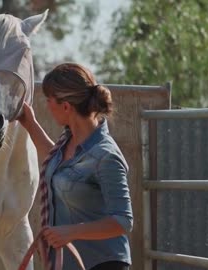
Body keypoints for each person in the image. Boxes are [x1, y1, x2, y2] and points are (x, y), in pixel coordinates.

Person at [17, 63, 133, 270]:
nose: (47, 105)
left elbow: (123, 221)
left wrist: (71, 232)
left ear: (66, 106)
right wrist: (30, 124)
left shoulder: (106, 156)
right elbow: (60, 169)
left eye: (49, 99)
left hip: (103, 265)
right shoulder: (68, 142)